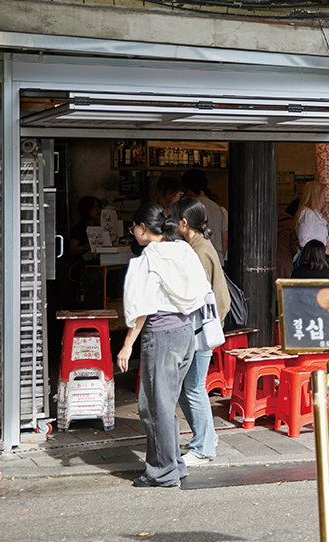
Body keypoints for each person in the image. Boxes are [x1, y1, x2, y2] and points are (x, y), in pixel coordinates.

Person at [117, 203, 211, 488]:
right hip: (185, 332)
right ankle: (174, 464)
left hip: (161, 335)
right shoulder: (183, 250)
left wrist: (127, 345)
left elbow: (141, 308)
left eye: (133, 227)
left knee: (154, 405)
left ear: (143, 228)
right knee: (165, 402)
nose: (133, 232)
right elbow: (202, 289)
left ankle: (162, 471)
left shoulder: (147, 260)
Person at [169, 197, 230, 467]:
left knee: (193, 387)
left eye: (175, 219)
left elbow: (198, 296)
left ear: (184, 223)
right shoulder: (199, 246)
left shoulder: (199, 251)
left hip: (201, 329)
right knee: (189, 387)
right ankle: (206, 437)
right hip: (202, 327)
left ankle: (204, 447)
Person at [181, 169, 227, 265]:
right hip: (217, 260)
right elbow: (224, 238)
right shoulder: (218, 208)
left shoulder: (189, 209)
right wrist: (220, 258)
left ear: (188, 188)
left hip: (197, 261)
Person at [295, 181, 329, 256]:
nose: (324, 198)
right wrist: (325, 250)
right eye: (323, 195)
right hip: (312, 260)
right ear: (316, 196)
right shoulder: (307, 214)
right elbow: (303, 241)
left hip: (317, 258)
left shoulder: (315, 214)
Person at [68, 196, 104, 260]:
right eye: (93, 207)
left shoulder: (98, 226)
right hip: (82, 264)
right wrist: (90, 244)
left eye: (98, 206)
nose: (98, 209)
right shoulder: (79, 228)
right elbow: (72, 250)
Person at [275, 199, 300, 279]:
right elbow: (294, 248)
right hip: (286, 262)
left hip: (271, 260)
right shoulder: (291, 226)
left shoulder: (275, 222)